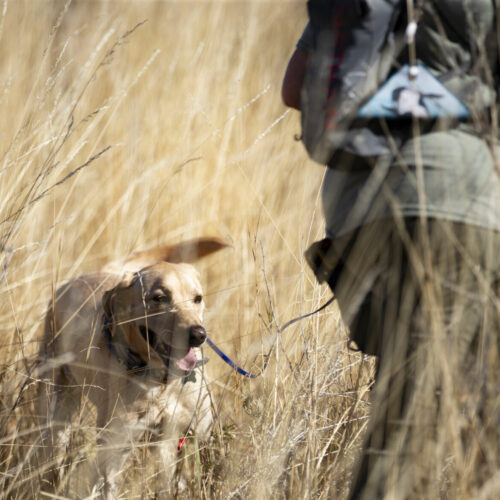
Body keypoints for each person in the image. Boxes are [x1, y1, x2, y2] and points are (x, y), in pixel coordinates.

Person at [282, 2, 500, 498]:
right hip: (462, 203)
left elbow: (295, 88)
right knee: (414, 436)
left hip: (357, 216)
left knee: (414, 403)